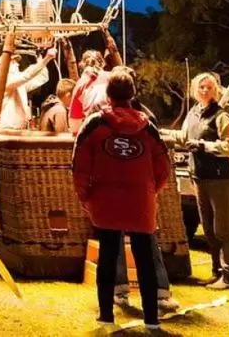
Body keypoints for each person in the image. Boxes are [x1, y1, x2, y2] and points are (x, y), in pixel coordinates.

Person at [72, 70, 171, 329]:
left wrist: (86, 197)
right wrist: (150, 190)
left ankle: (106, 315)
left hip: (105, 201)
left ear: (108, 94)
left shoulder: (95, 124)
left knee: (108, 256)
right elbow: (164, 166)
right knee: (144, 257)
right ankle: (151, 320)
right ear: (133, 94)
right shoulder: (148, 127)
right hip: (141, 201)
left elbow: (79, 164)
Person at [180, 72, 229, 290]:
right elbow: (183, 137)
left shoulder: (221, 116)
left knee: (225, 229)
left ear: (216, 90)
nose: (205, 90)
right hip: (199, 177)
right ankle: (216, 272)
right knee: (208, 229)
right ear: (194, 89)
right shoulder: (193, 113)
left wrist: (205, 146)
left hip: (219, 179)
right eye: (201, 87)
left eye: (209, 87)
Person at [0, 47, 55, 132]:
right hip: (8, 128)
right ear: (4, 65)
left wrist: (40, 58)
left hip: (19, 129)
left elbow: (43, 78)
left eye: (16, 61)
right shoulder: (4, 81)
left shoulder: (19, 84)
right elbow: (27, 75)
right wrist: (47, 59)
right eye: (13, 61)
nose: (17, 64)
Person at [69, 49, 111, 134]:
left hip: (95, 132)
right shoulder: (113, 78)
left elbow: (74, 127)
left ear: (82, 65)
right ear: (102, 63)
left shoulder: (80, 85)